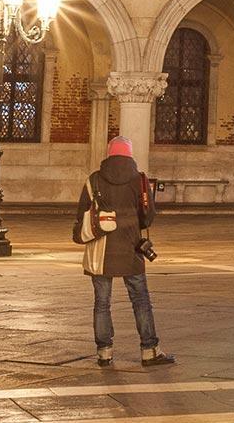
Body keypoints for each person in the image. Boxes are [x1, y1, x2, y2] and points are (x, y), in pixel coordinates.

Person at [74, 137, 175, 369]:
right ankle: (149, 350)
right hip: (131, 248)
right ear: (129, 154)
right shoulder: (140, 180)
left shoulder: (94, 180)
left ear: (109, 154)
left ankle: (104, 352)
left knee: (102, 302)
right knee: (141, 300)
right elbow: (148, 217)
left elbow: (81, 214)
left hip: (101, 250)